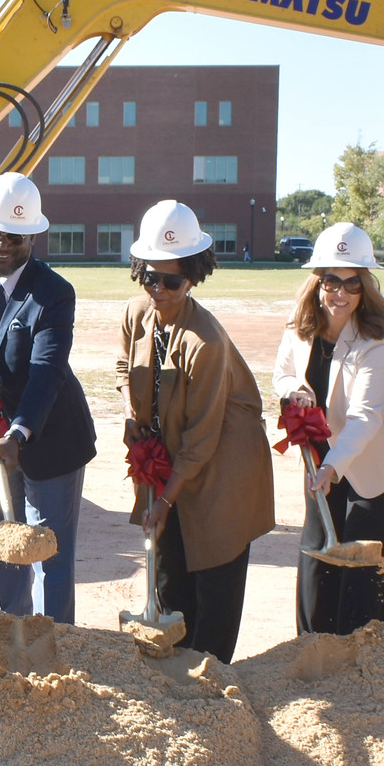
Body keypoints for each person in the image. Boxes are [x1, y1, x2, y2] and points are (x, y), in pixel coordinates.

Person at [114, 200, 274, 662]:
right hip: (173, 451)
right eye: (149, 276)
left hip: (224, 463)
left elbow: (203, 437)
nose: (158, 289)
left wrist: (165, 499)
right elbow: (125, 368)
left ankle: (212, 678)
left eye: (171, 280)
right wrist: (132, 418)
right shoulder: (135, 314)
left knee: (213, 573)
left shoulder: (206, 341)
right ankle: (170, 668)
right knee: (169, 561)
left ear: (194, 276)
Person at [0, 172, 95, 623]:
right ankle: (11, 632)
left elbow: (45, 373)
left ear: (32, 237)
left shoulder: (53, 293)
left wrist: (18, 432)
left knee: (49, 549)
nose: (2, 246)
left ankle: (56, 640)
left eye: (15, 237)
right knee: (6, 541)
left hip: (49, 435)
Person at [271, 223, 384, 635]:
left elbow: (365, 416)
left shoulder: (377, 339)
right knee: (318, 550)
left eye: (352, 284)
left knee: (366, 565)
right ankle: (312, 644)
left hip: (374, 465)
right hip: (321, 455)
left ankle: (365, 652)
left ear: (365, 287)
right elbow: (281, 374)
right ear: (317, 282)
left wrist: (334, 466)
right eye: (331, 281)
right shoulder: (300, 323)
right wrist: (295, 388)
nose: (340, 293)